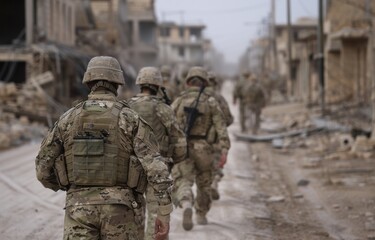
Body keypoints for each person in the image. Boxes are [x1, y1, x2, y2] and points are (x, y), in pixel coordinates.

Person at [35, 56, 172, 240]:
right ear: (117, 83)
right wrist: (163, 212)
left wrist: (66, 186)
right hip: (120, 209)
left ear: (89, 81)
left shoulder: (68, 119)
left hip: (78, 209)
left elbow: (43, 169)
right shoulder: (130, 119)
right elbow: (157, 170)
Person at [128, 67, 187, 240]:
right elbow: (178, 138)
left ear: (139, 83)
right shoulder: (163, 108)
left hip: (132, 169)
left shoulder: (127, 106)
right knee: (156, 218)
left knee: (134, 216)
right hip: (158, 168)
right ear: (158, 86)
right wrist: (175, 160)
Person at [171, 66, 230, 230]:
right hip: (204, 148)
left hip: (183, 148)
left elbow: (167, 124)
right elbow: (221, 127)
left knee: (182, 179)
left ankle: (186, 202)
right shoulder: (210, 101)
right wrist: (224, 149)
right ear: (204, 82)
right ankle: (201, 214)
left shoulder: (179, 100)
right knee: (204, 183)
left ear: (188, 82)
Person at [206, 71, 233, 200]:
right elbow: (229, 118)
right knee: (217, 161)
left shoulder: (196, 97)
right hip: (216, 137)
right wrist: (220, 126)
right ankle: (214, 182)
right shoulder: (219, 97)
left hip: (197, 139)